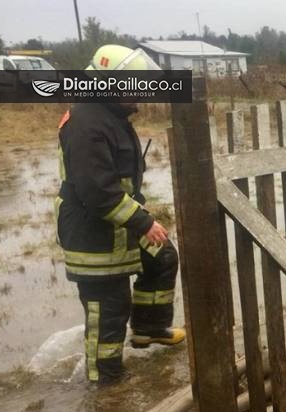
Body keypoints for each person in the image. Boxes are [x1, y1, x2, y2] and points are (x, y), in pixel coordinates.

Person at [56, 44, 185, 384]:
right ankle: (106, 384)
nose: (140, 96)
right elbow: (97, 191)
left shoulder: (108, 114)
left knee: (162, 258)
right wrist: (143, 221)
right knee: (108, 308)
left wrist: (139, 216)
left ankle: (148, 329)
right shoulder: (86, 123)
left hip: (118, 223)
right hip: (93, 234)